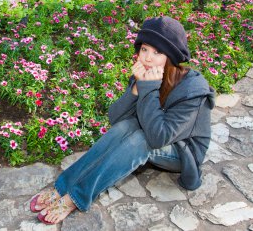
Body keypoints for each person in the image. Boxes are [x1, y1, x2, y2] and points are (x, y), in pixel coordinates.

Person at [29, 16, 215, 225]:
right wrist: (136, 89)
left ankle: (76, 197)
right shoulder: (146, 75)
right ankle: (64, 186)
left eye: (157, 52)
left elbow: (158, 138)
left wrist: (149, 88)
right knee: (127, 126)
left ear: (170, 57)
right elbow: (116, 119)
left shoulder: (193, 90)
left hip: (182, 151)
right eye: (144, 49)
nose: (148, 58)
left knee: (140, 141)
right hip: (152, 131)